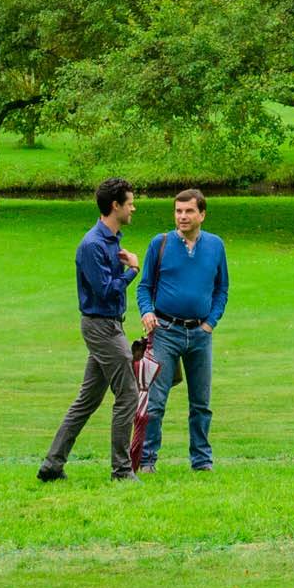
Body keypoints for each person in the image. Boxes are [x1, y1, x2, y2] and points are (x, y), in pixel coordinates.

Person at [41, 179, 144, 482]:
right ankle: (122, 471)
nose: (133, 207)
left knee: (87, 400)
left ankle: (52, 465)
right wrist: (133, 271)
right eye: (130, 202)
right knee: (128, 394)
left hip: (110, 325)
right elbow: (104, 292)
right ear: (115, 206)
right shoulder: (92, 245)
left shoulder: (111, 241)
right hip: (102, 328)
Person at [136, 187, 227, 471]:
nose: (182, 217)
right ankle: (148, 460)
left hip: (200, 335)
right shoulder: (159, 243)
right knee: (156, 401)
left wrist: (210, 322)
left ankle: (201, 461)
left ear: (202, 214)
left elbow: (221, 288)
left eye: (189, 211)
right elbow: (144, 286)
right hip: (165, 331)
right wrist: (147, 311)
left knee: (201, 403)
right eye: (178, 211)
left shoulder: (215, 245)